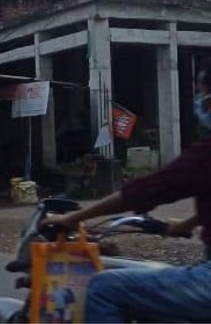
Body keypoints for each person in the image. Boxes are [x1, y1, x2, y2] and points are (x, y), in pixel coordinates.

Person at [42, 62, 211, 322]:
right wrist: (185, 224)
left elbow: (143, 192)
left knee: (103, 288)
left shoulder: (203, 156)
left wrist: (73, 218)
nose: (201, 105)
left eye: (202, 96)